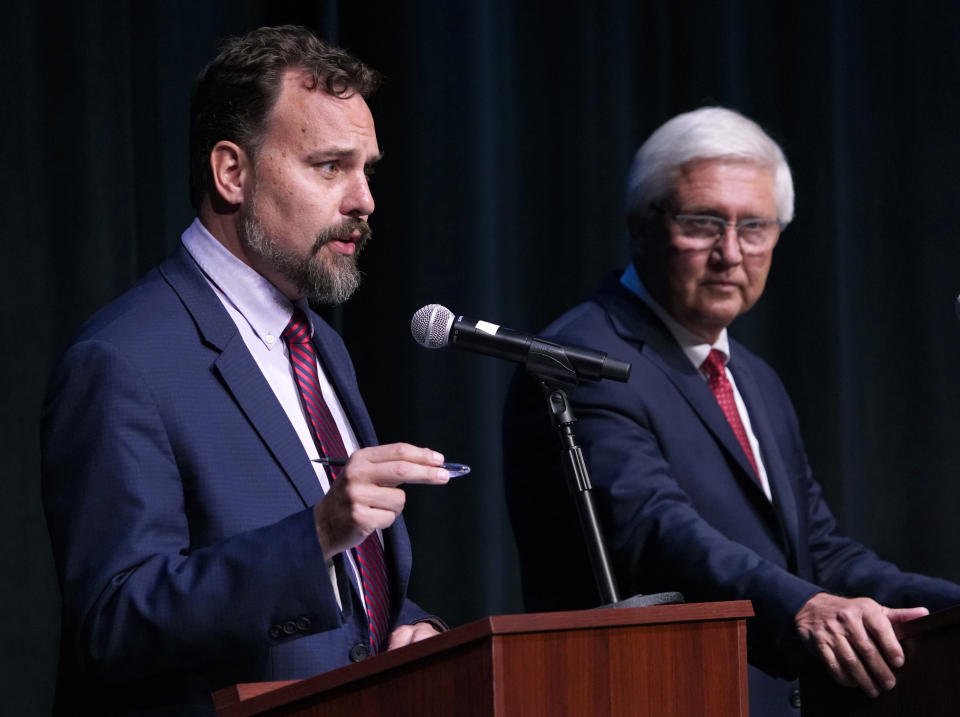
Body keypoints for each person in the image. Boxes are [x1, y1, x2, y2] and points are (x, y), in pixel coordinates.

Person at [41, 25, 448, 715]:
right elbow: (113, 620)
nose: (364, 200)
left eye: (367, 170)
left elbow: (347, 587)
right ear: (232, 173)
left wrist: (417, 630)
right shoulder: (121, 361)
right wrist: (317, 533)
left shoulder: (318, 341)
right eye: (329, 166)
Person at [502, 106, 960, 717]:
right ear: (643, 226)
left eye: (755, 227)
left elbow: (819, 555)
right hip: (647, 696)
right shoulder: (580, 360)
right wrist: (800, 606)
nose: (731, 252)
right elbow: (653, 532)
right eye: (703, 223)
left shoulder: (752, 377)